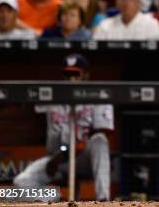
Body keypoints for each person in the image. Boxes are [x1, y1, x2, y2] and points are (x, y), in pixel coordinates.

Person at [13, 54, 113, 201]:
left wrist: (64, 154)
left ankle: (103, 200)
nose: (71, 78)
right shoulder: (53, 96)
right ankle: (57, 202)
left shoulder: (98, 96)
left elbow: (100, 133)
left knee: (100, 140)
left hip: (86, 159)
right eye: (67, 74)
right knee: (21, 183)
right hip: (57, 161)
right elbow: (25, 100)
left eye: (76, 74)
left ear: (86, 75)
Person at [94, 0, 159, 40]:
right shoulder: (105, 25)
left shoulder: (151, 24)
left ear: (139, 3)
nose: (126, 3)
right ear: (117, 3)